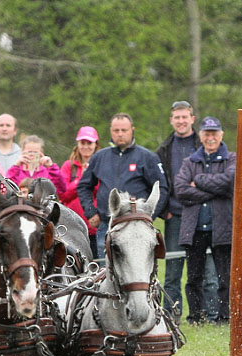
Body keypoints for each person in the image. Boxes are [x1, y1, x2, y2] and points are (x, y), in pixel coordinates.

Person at [155, 100, 219, 319]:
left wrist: (199, 186)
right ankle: (171, 315)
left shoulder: (205, 144)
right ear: (171, 120)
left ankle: (210, 315)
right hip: (175, 216)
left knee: (208, 269)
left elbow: (216, 180)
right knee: (173, 270)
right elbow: (159, 184)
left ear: (192, 119)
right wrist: (164, 212)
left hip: (203, 214)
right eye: (177, 117)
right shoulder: (163, 149)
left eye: (185, 117)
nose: (181, 121)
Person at [76, 113, 168, 258]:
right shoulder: (99, 157)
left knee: (135, 270)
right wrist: (90, 211)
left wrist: (150, 214)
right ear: (111, 131)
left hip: (137, 226)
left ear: (132, 130)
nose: (120, 134)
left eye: (124, 130)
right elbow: (84, 186)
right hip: (107, 226)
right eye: (116, 131)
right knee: (104, 272)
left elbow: (161, 188)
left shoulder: (147, 157)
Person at [174, 116, 236, 324]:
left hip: (222, 227)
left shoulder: (232, 159)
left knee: (224, 277)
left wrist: (198, 182)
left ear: (221, 136)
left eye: (214, 134)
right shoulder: (189, 162)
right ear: (200, 136)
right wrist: (214, 192)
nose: (211, 138)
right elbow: (181, 190)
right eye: (207, 134)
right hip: (195, 228)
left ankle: (224, 316)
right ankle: (196, 317)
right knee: (193, 278)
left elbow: (229, 183)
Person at [60, 126, 100, 257]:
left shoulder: (101, 164)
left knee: (97, 265)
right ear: (78, 144)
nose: (86, 147)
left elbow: (102, 191)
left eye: (89, 143)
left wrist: (89, 180)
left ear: (95, 145)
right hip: (71, 227)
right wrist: (80, 180)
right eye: (83, 143)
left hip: (95, 227)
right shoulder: (69, 166)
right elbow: (63, 194)